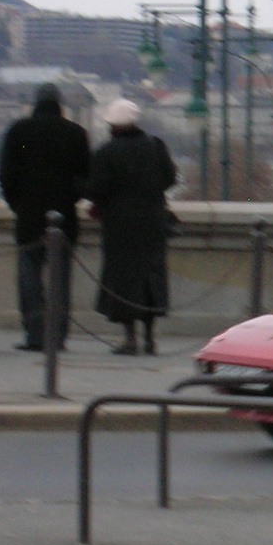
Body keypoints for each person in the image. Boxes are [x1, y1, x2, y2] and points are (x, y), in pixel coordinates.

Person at [0, 83, 90, 351]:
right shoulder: (75, 133)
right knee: (60, 281)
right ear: (60, 104)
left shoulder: (21, 132)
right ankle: (58, 336)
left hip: (28, 216)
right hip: (63, 218)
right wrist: (68, 200)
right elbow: (84, 178)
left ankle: (35, 334)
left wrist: (18, 204)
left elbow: (7, 174)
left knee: (29, 280)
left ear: (35, 103)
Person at [87, 99, 176, 355]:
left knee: (123, 281)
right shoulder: (155, 146)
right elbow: (168, 179)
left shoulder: (107, 152)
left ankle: (130, 338)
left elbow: (97, 189)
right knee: (150, 279)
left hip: (120, 226)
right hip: (152, 222)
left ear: (113, 125)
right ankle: (149, 338)